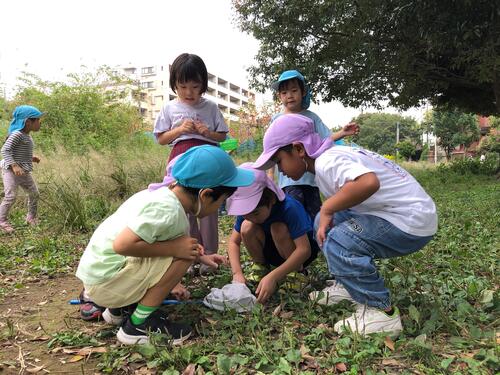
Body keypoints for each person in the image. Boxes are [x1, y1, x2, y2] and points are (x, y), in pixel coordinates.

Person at [253, 114, 438, 336]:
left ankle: (381, 311)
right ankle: (349, 286)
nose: (280, 170)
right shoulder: (329, 156)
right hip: (403, 214)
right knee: (323, 221)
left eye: (279, 160)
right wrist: (328, 212)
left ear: (298, 149)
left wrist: (329, 207)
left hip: (409, 221)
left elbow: (369, 182)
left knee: (339, 237)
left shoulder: (327, 162)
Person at [75, 145, 254, 345]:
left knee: (184, 248)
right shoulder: (168, 211)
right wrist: (176, 249)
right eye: (221, 202)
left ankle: (120, 310)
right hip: (106, 285)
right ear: (205, 195)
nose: (218, 209)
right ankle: (138, 325)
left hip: (101, 277)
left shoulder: (160, 197)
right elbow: (123, 245)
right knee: (183, 252)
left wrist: (200, 257)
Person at [153, 53, 229, 273]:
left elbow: (223, 136)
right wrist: (179, 130)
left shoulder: (211, 107)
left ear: (203, 85)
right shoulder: (169, 108)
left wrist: (208, 132)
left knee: (207, 209)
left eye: (195, 87)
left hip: (207, 160)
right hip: (181, 160)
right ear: (174, 84)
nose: (189, 92)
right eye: (183, 86)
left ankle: (210, 256)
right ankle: (189, 257)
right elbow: (160, 139)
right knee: (183, 210)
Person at [269, 70, 359, 219]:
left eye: (294, 90)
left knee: (313, 215)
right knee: (293, 216)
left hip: (311, 178)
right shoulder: (276, 120)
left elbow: (326, 139)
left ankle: (314, 241)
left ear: (303, 92)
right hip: (288, 180)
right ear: (279, 96)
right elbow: (271, 150)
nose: (289, 96)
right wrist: (270, 174)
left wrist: (342, 132)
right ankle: (299, 242)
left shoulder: (311, 117)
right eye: (284, 93)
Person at [225, 163, 320, 303]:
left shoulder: (290, 207)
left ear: (272, 199)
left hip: (299, 253)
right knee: (247, 226)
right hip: (273, 250)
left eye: (255, 213)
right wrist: (237, 273)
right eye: (245, 214)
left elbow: (304, 250)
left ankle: (297, 275)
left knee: (278, 227)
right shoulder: (248, 212)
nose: (250, 217)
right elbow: (233, 242)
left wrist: (274, 276)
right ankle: (261, 267)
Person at [0, 105, 43, 234]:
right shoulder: (17, 134)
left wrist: (31, 158)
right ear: (28, 122)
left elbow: (19, 152)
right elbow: (5, 150)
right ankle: (1, 220)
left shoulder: (27, 135)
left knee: (34, 193)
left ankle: (31, 217)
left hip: (23, 171)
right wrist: (14, 165)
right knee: (11, 196)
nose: (40, 123)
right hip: (10, 170)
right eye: (38, 120)